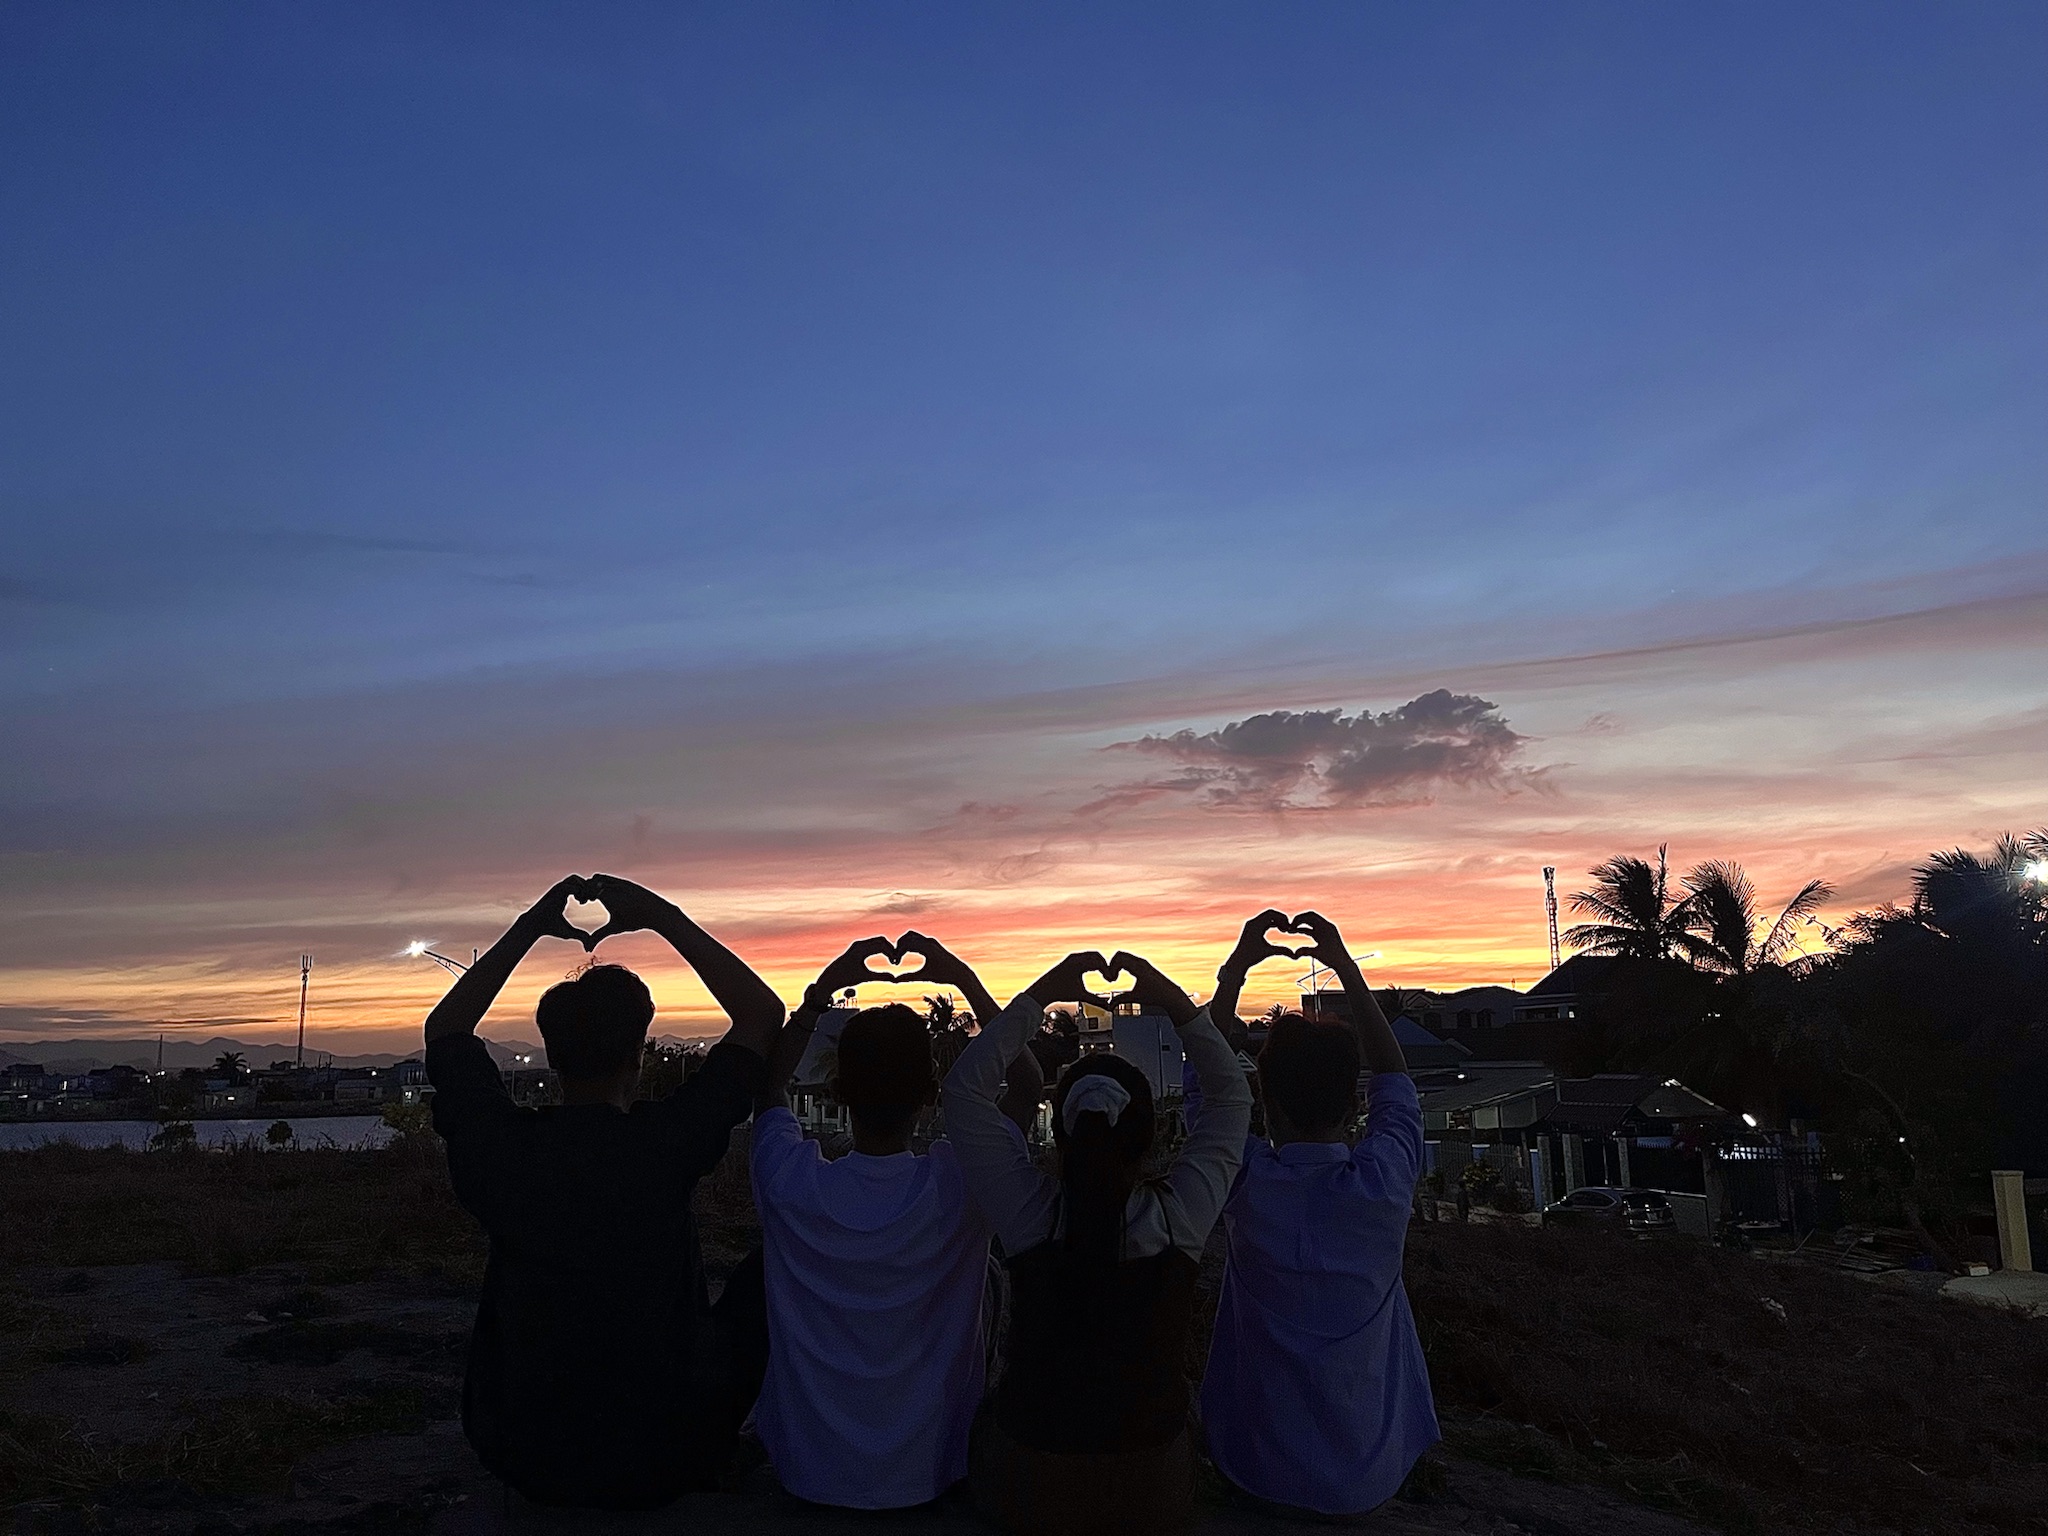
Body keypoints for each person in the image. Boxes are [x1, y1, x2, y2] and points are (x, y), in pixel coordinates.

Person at [422, 873, 785, 1510]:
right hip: (667, 1449)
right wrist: (662, 916)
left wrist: (532, 926)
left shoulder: (505, 1148)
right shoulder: (664, 1142)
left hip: (522, 1450)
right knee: (773, 1267)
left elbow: (447, 1029)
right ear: (638, 1054)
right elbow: (761, 1015)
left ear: (551, 1052)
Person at [945, 948, 1253, 1536]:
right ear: (1149, 1137)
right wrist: (1173, 1002)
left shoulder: (1031, 1215)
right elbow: (1231, 1097)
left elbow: (963, 1093)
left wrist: (1043, 993)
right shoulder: (1178, 1218)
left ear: (1061, 1136)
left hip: (1027, 1487)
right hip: (1151, 1494)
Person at [748, 931, 1041, 1510]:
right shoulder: (960, 1185)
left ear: (837, 1092)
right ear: (931, 1094)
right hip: (933, 1478)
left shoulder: (791, 1184)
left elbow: (768, 1084)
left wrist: (823, 992)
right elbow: (1028, 1083)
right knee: (991, 1277)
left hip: (807, 1476)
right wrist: (961, 977)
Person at [1191, 908, 1439, 1517]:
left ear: (1266, 1104)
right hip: (1367, 1480)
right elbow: (1395, 1080)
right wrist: (1345, 967)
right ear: (1352, 1107)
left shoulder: (1246, 1180)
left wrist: (1237, 968)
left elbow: (1206, 1083)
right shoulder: (1382, 1184)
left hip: (1253, 1467)